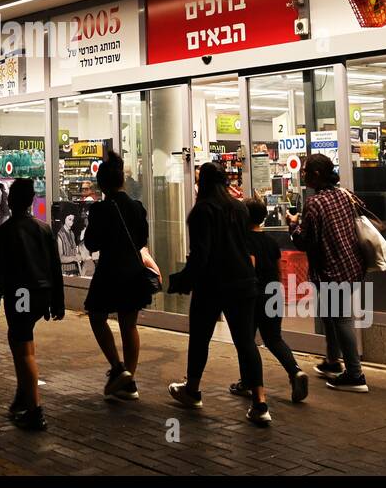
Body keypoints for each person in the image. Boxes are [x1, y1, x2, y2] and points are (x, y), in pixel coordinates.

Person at [167, 161, 271, 426]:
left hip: (212, 284)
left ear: (203, 183)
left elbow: (202, 254)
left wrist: (183, 280)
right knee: (246, 341)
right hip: (243, 281)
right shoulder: (239, 208)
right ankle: (260, 402)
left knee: (200, 338)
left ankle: (192, 389)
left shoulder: (202, 211)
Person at [0, 178, 65, 431]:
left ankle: (35, 411)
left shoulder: (5, 232)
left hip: (22, 295)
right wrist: (58, 302)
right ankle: (22, 396)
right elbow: (55, 268)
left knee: (23, 348)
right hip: (41, 294)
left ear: (10, 200)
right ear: (31, 201)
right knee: (24, 344)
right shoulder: (44, 229)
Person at [287, 153, 370, 393]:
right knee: (328, 313)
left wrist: (293, 225)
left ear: (315, 175)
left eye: (305, 172)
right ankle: (333, 361)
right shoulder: (344, 194)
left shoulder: (314, 203)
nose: (302, 176)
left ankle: (355, 375)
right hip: (352, 264)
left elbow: (303, 241)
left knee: (341, 318)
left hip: (333, 270)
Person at [82, 152, 154, 402]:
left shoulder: (100, 210)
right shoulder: (137, 208)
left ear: (102, 185)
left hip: (110, 270)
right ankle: (129, 380)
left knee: (96, 314)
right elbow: (142, 239)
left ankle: (117, 367)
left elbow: (91, 242)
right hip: (134, 272)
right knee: (129, 324)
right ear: (122, 181)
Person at [230, 198, 308, 403]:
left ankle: (248, 382)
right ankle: (295, 371)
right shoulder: (271, 241)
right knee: (274, 338)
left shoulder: (244, 240)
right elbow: (279, 270)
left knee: (246, 340)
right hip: (273, 292)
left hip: (254, 295)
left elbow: (250, 267)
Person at [56, 211, 82, 277]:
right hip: (65, 273)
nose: (71, 223)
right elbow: (60, 258)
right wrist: (74, 258)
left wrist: (78, 255)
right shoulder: (60, 235)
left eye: (72, 220)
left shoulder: (72, 233)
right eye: (69, 219)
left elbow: (73, 251)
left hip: (75, 271)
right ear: (64, 218)